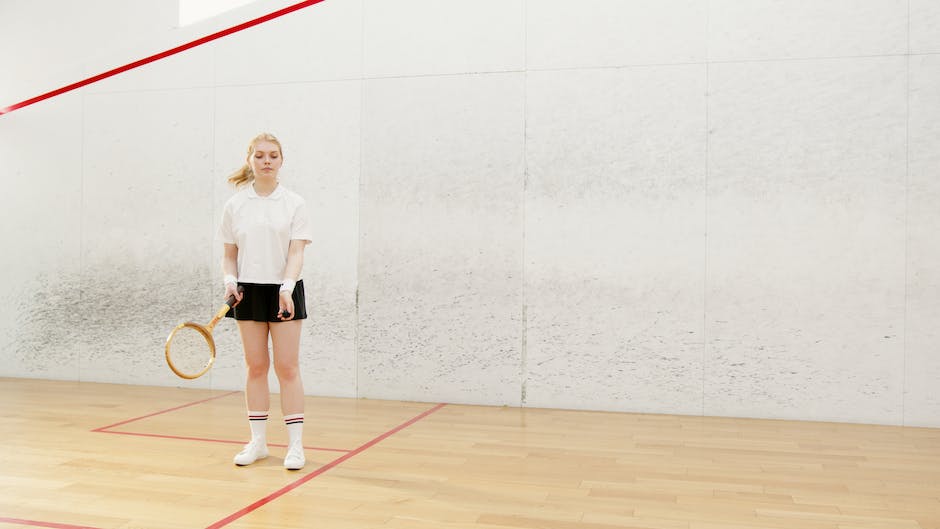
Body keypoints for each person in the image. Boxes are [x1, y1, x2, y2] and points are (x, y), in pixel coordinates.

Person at [218, 132, 312, 470]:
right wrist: (230, 281)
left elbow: (297, 251)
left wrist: (287, 287)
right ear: (250, 160)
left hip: (284, 289)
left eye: (273, 155)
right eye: (259, 156)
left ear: (281, 160)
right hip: (248, 292)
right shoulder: (235, 205)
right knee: (256, 367)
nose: (266, 161)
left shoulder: (294, 203)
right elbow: (229, 255)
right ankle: (258, 442)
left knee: (287, 368)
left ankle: (296, 446)